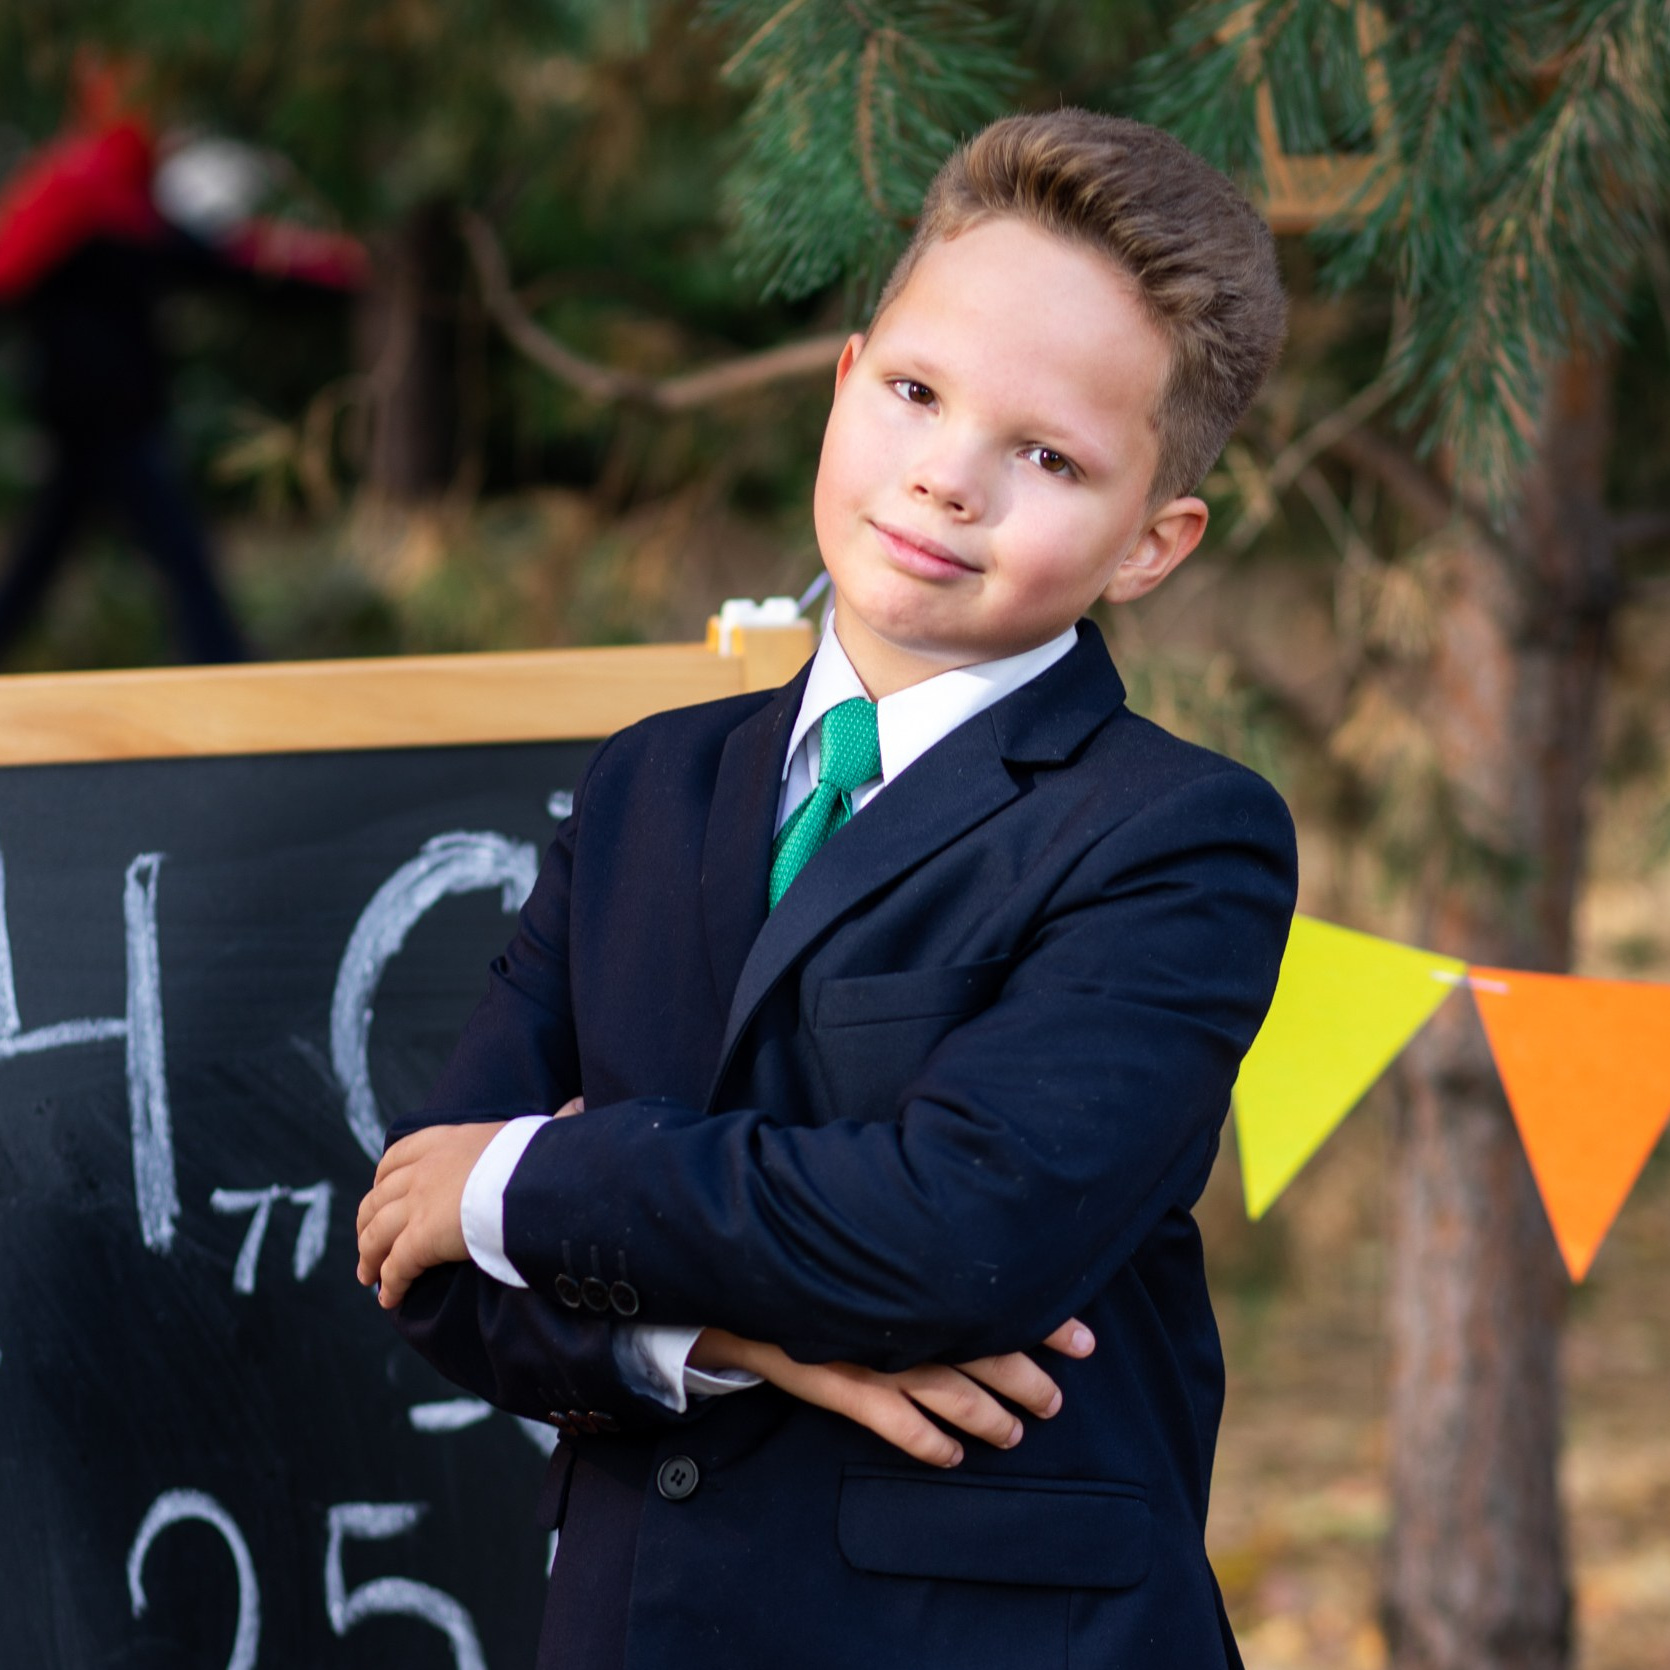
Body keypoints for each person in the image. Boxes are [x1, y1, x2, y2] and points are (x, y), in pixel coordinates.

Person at [356, 109, 1296, 1670]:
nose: (946, 479)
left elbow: (958, 1236)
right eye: (919, 394)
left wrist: (526, 1184)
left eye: (1046, 456)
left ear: (1153, 541)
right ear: (845, 379)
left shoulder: (1176, 835)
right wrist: (734, 1333)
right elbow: (423, 1258)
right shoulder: (647, 783)